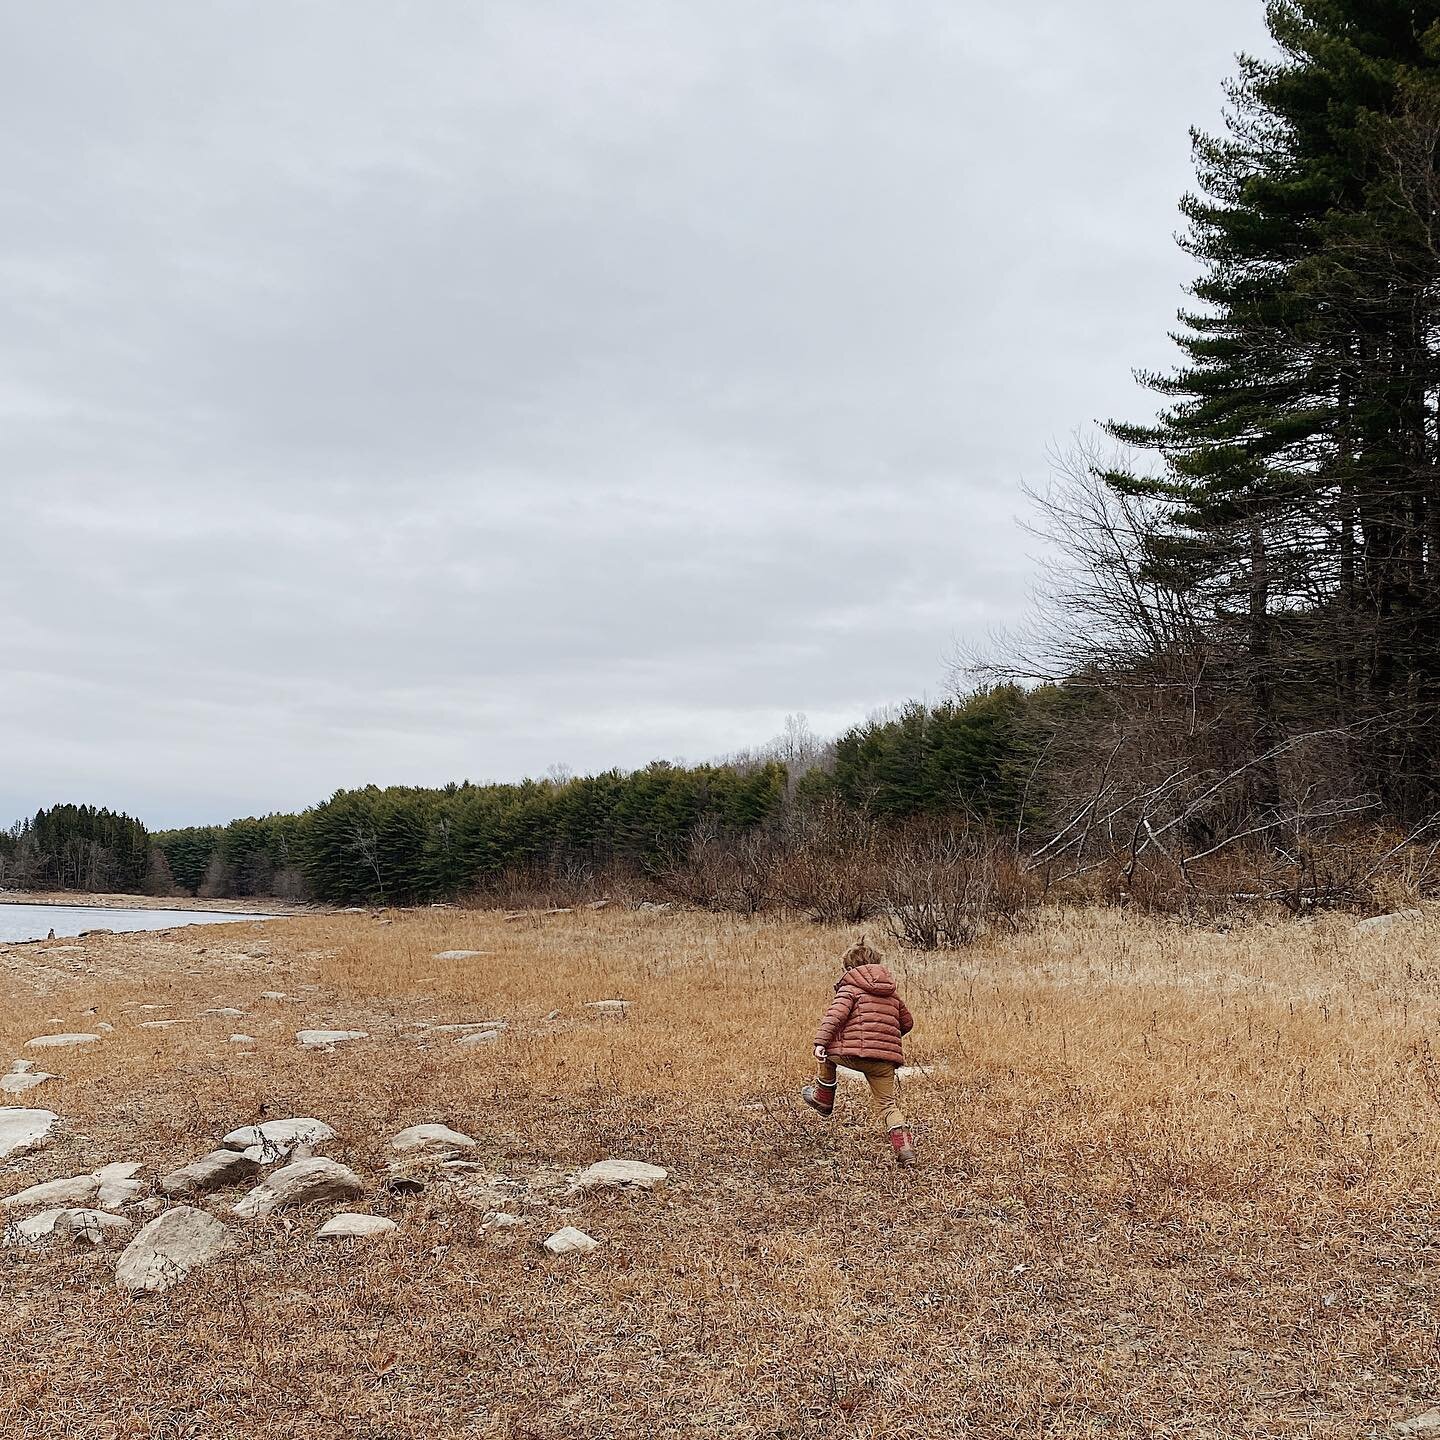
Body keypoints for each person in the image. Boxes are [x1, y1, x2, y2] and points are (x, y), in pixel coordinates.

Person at [801, 936, 917, 1167]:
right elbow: (907, 1023)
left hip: (852, 1055)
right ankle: (904, 1148)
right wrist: (883, 1040)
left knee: (827, 1053)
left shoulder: (850, 989)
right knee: (887, 1105)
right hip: (884, 1061)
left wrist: (819, 1043)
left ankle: (823, 1098)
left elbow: (835, 1017)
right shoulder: (892, 993)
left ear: (849, 967)